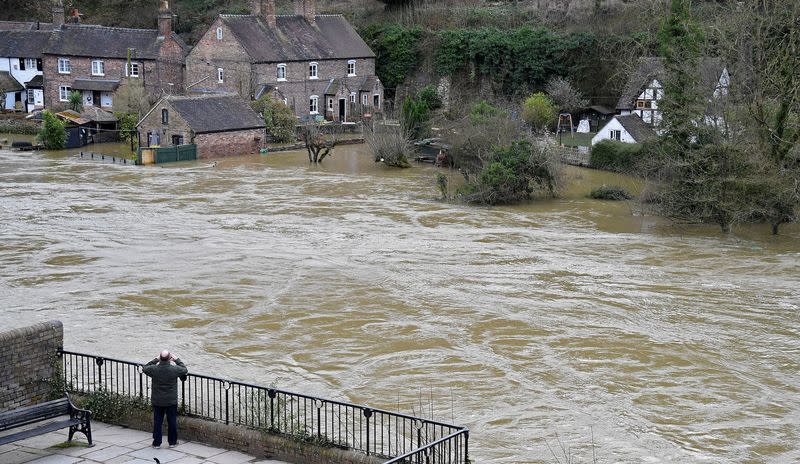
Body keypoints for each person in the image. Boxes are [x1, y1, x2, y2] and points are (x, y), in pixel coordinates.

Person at [142, 350, 188, 448]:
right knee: (172, 421)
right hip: (171, 401)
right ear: (169, 359)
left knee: (158, 421)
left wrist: (156, 359)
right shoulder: (174, 370)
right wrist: (176, 359)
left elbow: (145, 368)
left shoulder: (154, 369)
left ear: (161, 359)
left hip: (157, 400)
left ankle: (157, 443)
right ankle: (172, 442)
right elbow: (184, 369)